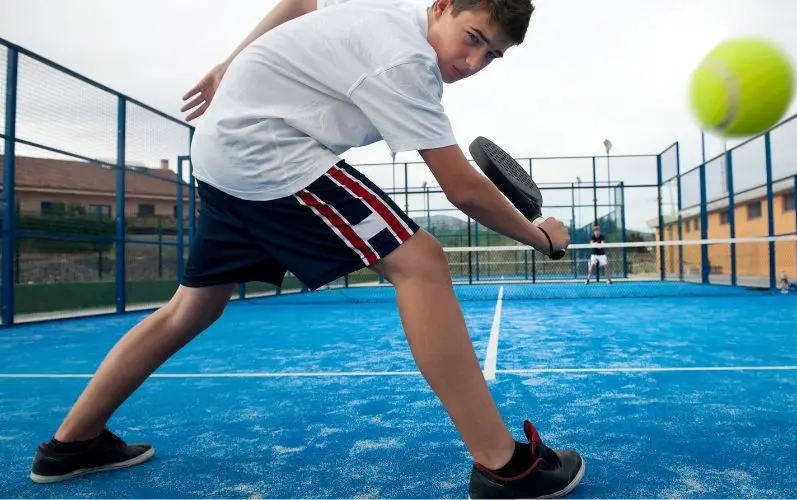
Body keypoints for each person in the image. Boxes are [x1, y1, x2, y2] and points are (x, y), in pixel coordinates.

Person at [28, 0, 585, 497]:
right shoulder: (405, 61)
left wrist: (233, 64)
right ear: (441, 7)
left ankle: (71, 445)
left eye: (492, 55)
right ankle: (505, 467)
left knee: (191, 307)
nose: (472, 63)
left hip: (224, 156)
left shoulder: (380, 16)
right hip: (267, 154)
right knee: (420, 261)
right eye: (473, 39)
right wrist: (542, 237)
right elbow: (463, 189)